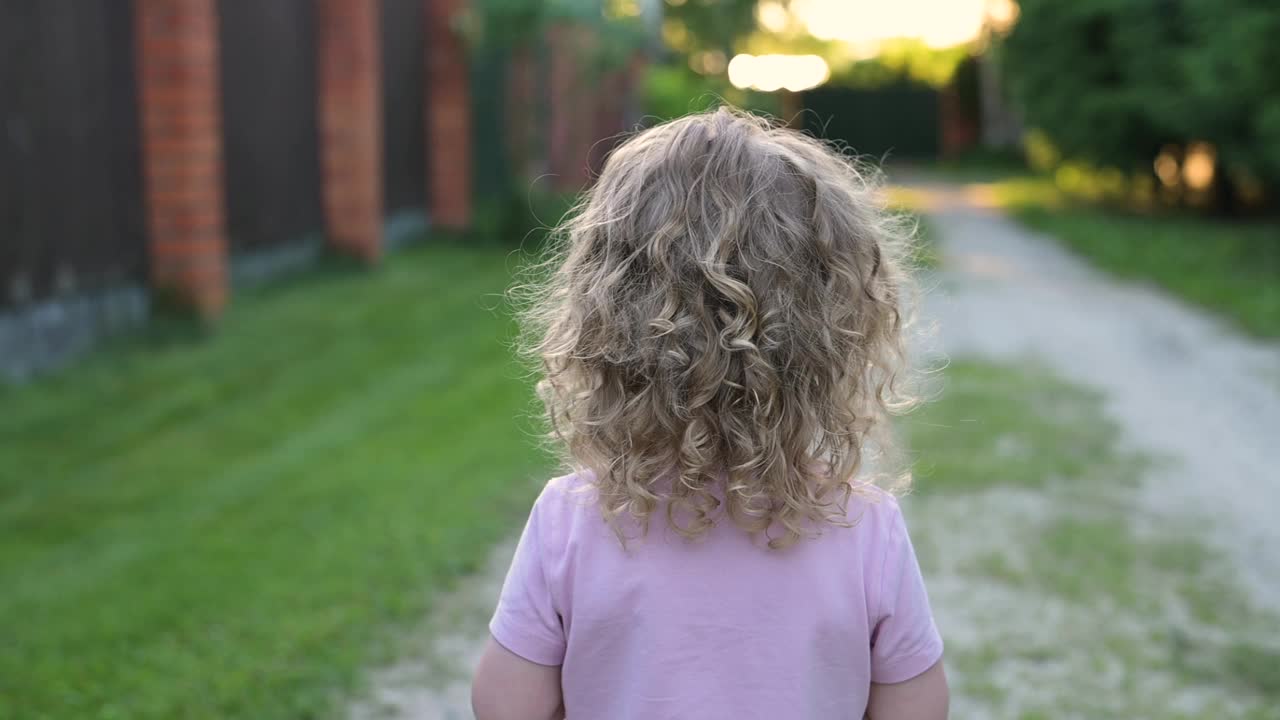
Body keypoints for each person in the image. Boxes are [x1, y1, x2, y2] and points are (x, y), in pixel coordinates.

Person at [472, 107, 947, 720]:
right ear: (837, 331)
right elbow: (919, 708)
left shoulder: (575, 522)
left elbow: (503, 706)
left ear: (608, 326)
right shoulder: (864, 530)